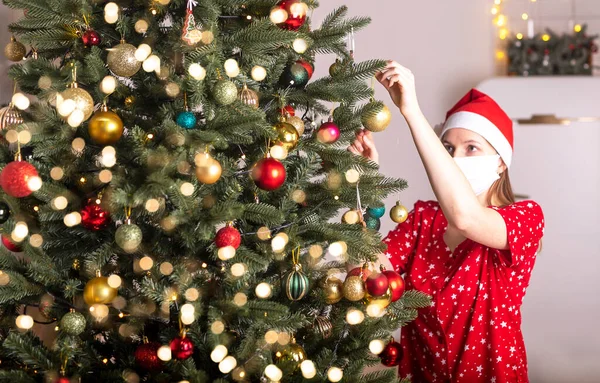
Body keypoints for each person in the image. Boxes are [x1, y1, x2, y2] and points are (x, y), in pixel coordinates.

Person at [349, 61, 545, 383]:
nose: (456, 159)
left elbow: (466, 218)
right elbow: (369, 278)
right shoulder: (424, 219)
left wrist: (411, 111)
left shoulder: (526, 217)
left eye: (472, 148)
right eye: (448, 148)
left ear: (500, 163)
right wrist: (364, 188)